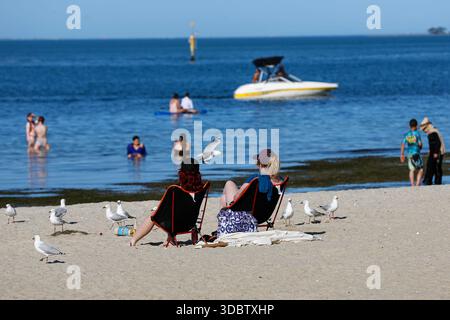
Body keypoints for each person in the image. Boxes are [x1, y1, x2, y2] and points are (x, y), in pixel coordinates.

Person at [130, 158, 204, 247]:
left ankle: (133, 240)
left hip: (175, 226)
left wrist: (156, 210)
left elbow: (162, 210)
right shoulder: (202, 188)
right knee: (174, 212)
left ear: (182, 173)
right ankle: (171, 239)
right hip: (191, 223)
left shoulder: (175, 190)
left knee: (154, 215)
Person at [217, 149, 282, 237]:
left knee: (229, 184)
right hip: (265, 215)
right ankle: (226, 223)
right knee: (223, 198)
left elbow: (236, 198)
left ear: (259, 164)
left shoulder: (255, 179)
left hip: (248, 215)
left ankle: (225, 225)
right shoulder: (280, 181)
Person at [420, 117, 446, 185]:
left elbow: (437, 143)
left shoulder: (432, 133)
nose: (424, 131)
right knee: (432, 165)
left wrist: (435, 153)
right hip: (436, 151)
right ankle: (431, 181)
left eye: (424, 129)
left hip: (437, 152)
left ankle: (435, 182)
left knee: (435, 167)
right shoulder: (434, 130)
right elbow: (434, 144)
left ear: (427, 127)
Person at [400, 119, 423, 187]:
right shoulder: (417, 133)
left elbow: (403, 144)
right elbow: (420, 144)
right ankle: (418, 183)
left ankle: (412, 184)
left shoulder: (407, 135)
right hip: (416, 153)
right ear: (416, 125)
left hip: (409, 154)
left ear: (409, 126)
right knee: (421, 169)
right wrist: (420, 147)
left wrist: (402, 154)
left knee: (411, 169)